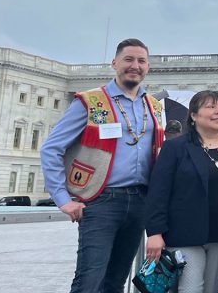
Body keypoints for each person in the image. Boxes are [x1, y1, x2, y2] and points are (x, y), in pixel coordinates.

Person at [41, 38, 166, 293]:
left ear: (148, 67)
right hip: (101, 200)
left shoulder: (153, 106)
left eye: (141, 61)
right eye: (128, 59)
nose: (135, 65)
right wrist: (63, 199)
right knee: (89, 278)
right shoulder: (90, 101)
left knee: (115, 280)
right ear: (114, 63)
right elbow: (51, 148)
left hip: (140, 200)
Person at [144, 90, 218, 293]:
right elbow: (158, 191)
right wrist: (154, 232)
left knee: (211, 289)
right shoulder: (175, 148)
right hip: (183, 234)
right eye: (211, 107)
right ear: (194, 115)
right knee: (191, 289)